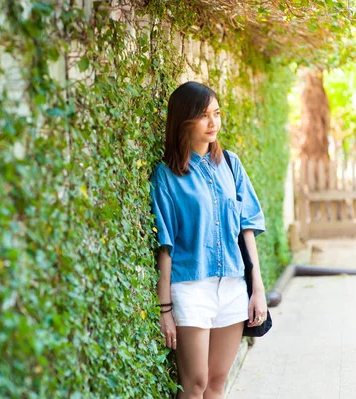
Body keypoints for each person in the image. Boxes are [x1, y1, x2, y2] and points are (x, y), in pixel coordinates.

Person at [150, 81, 268, 399]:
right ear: (183, 121)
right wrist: (165, 310)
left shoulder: (230, 164)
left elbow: (247, 227)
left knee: (217, 382)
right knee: (195, 384)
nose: (213, 123)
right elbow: (166, 246)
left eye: (216, 113)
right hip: (191, 287)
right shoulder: (167, 176)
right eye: (204, 116)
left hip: (232, 286)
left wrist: (257, 289)